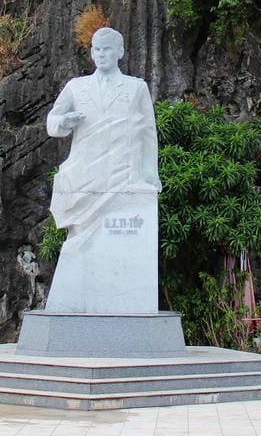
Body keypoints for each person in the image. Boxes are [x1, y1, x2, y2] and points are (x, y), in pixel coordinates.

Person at [44, 27, 160, 313]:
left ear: (120, 52)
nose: (101, 54)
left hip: (122, 175)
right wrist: (63, 123)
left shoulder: (136, 88)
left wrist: (149, 175)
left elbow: (148, 133)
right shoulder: (77, 87)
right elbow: (53, 120)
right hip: (85, 175)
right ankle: (77, 303)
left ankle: (121, 300)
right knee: (79, 244)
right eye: (96, 49)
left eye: (107, 49)